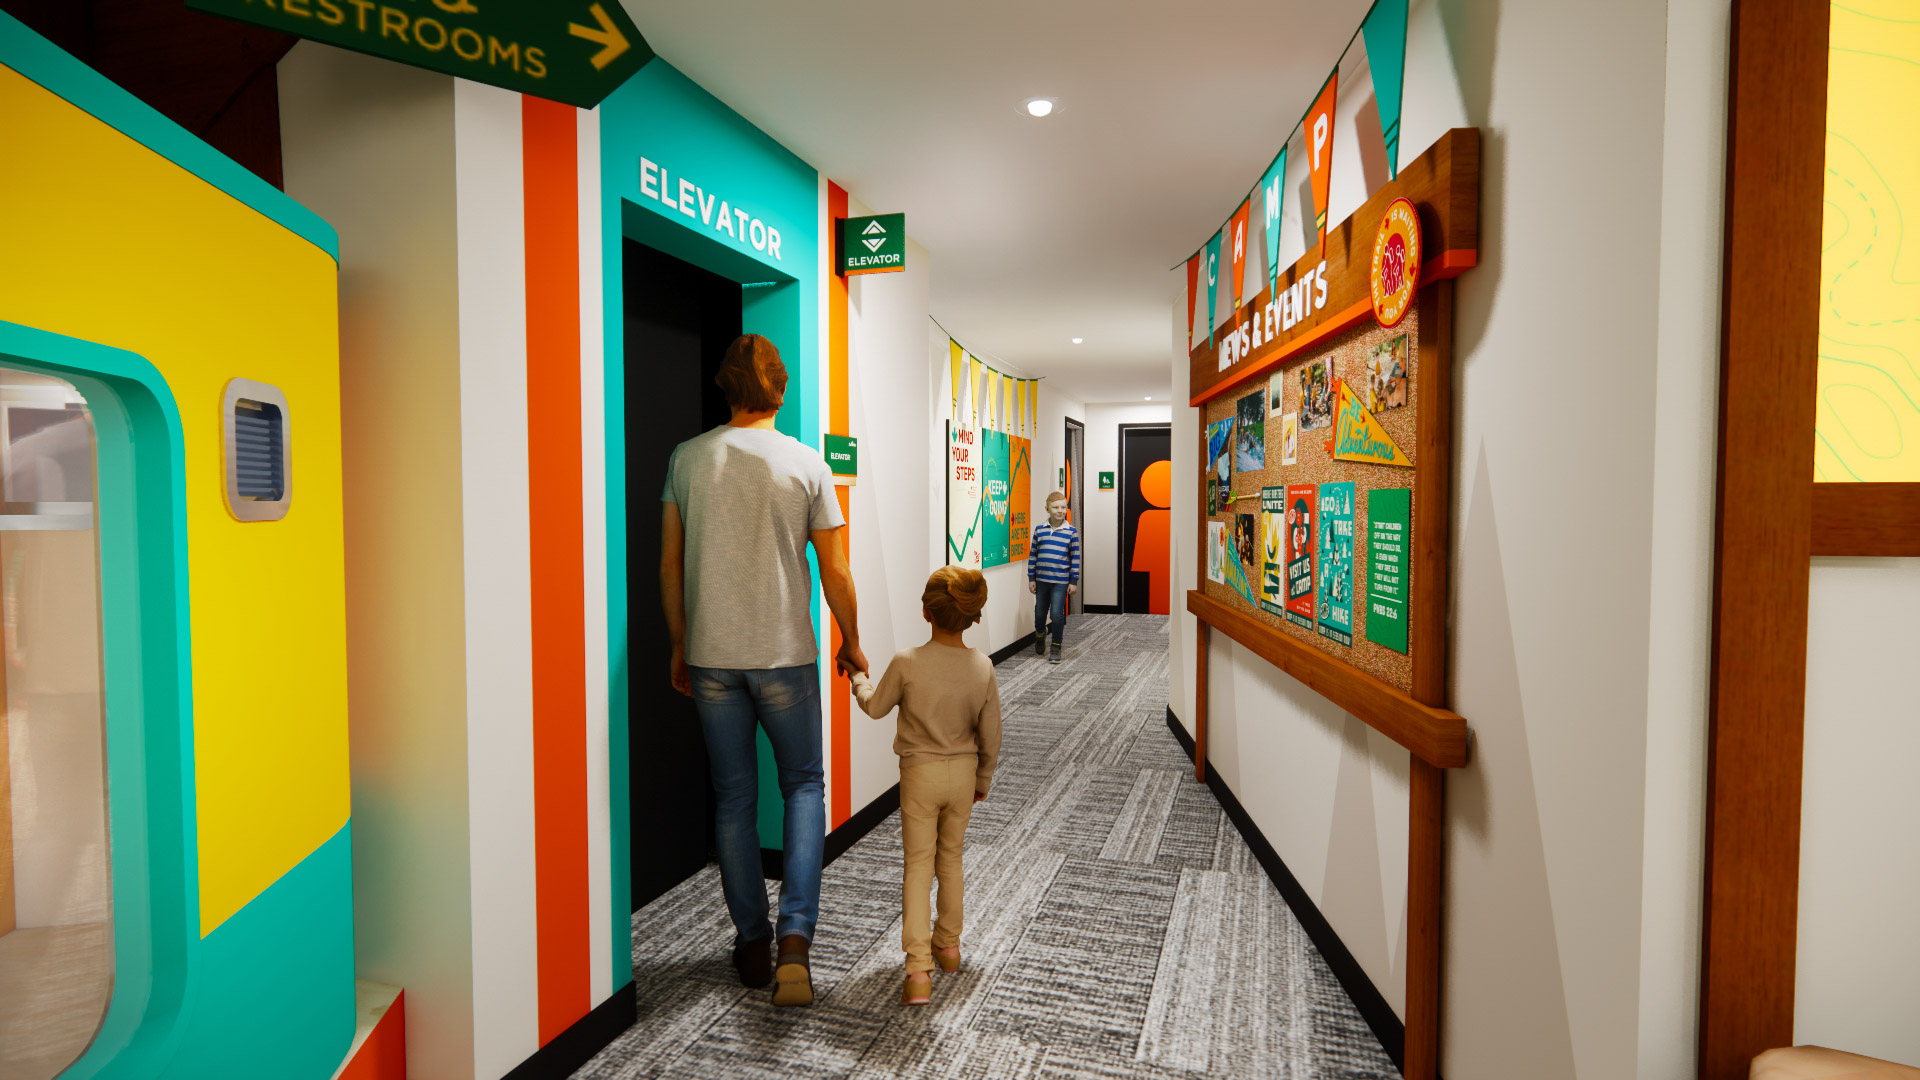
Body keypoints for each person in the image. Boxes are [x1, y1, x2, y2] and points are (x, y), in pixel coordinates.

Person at [660, 333, 865, 1008]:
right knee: (803, 787)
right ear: (780, 388)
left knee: (734, 799)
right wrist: (853, 640)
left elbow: (670, 565)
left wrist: (680, 643)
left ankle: (751, 941)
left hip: (712, 657)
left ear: (725, 386)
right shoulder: (806, 464)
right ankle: (795, 942)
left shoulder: (687, 458)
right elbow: (835, 570)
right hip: (784, 657)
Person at [849, 567, 1002, 1007]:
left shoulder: (907, 662)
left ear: (926, 612)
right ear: (971, 616)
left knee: (918, 866)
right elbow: (992, 734)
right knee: (950, 859)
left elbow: (875, 707)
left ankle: (918, 969)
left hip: (920, 776)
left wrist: (858, 680)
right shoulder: (982, 666)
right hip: (963, 776)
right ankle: (949, 947)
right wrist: (983, 779)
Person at [1027, 491, 1080, 663]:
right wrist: (1031, 578)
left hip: (1060, 582)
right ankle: (1040, 634)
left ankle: (1056, 645)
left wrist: (1073, 581)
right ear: (1047, 509)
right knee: (1040, 613)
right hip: (1041, 580)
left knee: (1057, 614)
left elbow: (1075, 558)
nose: (1060, 511)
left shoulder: (1071, 532)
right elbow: (1033, 555)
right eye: (1056, 507)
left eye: (1063, 507)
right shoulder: (1040, 530)